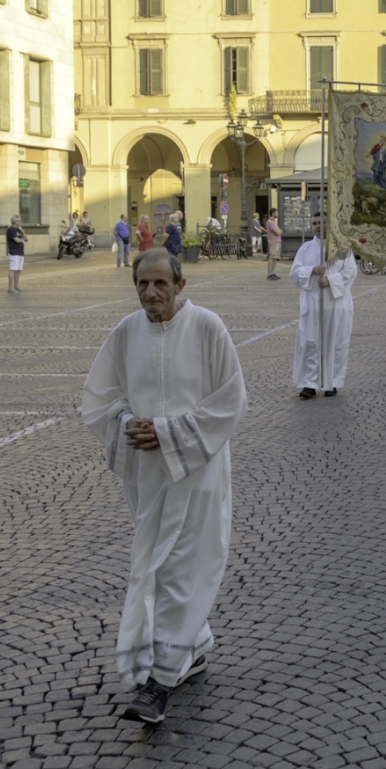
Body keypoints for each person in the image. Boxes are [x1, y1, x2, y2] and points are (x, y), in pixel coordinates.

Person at [81, 249, 248, 725]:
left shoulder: (208, 328)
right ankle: (192, 647)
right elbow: (99, 398)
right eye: (142, 284)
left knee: (181, 568)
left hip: (198, 473)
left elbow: (230, 400)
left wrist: (170, 433)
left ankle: (159, 680)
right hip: (148, 477)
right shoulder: (126, 332)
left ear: (181, 284)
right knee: (159, 566)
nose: (151, 293)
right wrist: (127, 423)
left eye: (160, 283)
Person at [289, 217, 357, 398]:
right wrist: (311, 270)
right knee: (310, 340)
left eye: (322, 222)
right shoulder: (305, 249)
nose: (318, 226)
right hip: (312, 301)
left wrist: (331, 281)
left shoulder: (342, 248)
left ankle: (332, 381)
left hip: (335, 302)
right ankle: (309, 383)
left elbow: (350, 271)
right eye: (315, 223)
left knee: (334, 341)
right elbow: (295, 272)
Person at [6, 215, 28, 293]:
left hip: (20, 252)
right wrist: (21, 239)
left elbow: (26, 239)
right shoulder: (11, 230)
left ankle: (16, 286)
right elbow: (17, 240)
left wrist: (22, 231)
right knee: (13, 270)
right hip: (14, 252)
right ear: (15, 222)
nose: (21, 222)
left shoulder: (19, 229)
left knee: (18, 270)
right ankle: (10, 288)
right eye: (19, 220)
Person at [264, 210, 283, 280]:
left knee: (275, 258)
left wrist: (279, 231)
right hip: (273, 242)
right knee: (272, 257)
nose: (278, 214)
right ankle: (269, 274)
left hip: (278, 241)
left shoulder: (274, 222)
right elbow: (277, 232)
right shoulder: (269, 222)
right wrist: (279, 231)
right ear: (272, 213)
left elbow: (280, 231)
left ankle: (273, 272)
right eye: (276, 212)